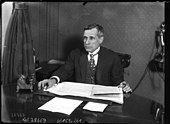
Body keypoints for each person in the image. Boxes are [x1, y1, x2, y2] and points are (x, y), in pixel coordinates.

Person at [38, 23, 132, 93]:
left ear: (100, 39)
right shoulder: (75, 54)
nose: (86, 42)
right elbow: (65, 71)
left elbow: (118, 81)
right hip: (80, 96)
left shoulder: (112, 57)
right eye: (85, 38)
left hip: (101, 99)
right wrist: (52, 80)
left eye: (91, 38)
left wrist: (123, 85)